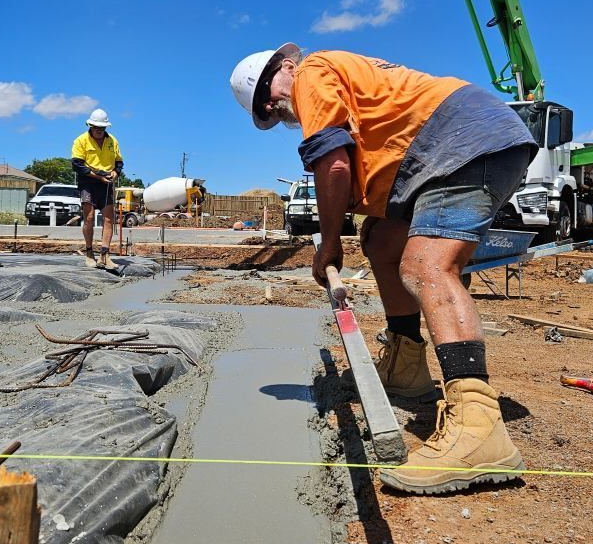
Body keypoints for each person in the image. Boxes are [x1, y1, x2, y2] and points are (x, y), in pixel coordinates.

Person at [230, 44, 538, 495]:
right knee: (380, 237)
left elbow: (332, 163)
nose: (276, 110)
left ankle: (478, 425)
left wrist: (329, 245)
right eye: (266, 113)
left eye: (268, 98)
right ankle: (406, 365)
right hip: (442, 150)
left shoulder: (312, 72)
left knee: (426, 265)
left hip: (463, 141)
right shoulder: (339, 81)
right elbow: (362, 163)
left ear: (287, 67)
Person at [71, 108, 124, 269]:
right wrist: (98, 176)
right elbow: (77, 165)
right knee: (89, 217)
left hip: (106, 182)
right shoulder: (81, 140)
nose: (99, 131)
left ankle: (105, 255)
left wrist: (115, 172)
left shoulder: (112, 141)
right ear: (90, 126)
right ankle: (89, 253)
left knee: (109, 218)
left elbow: (119, 162)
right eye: (96, 128)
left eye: (102, 128)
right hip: (88, 182)